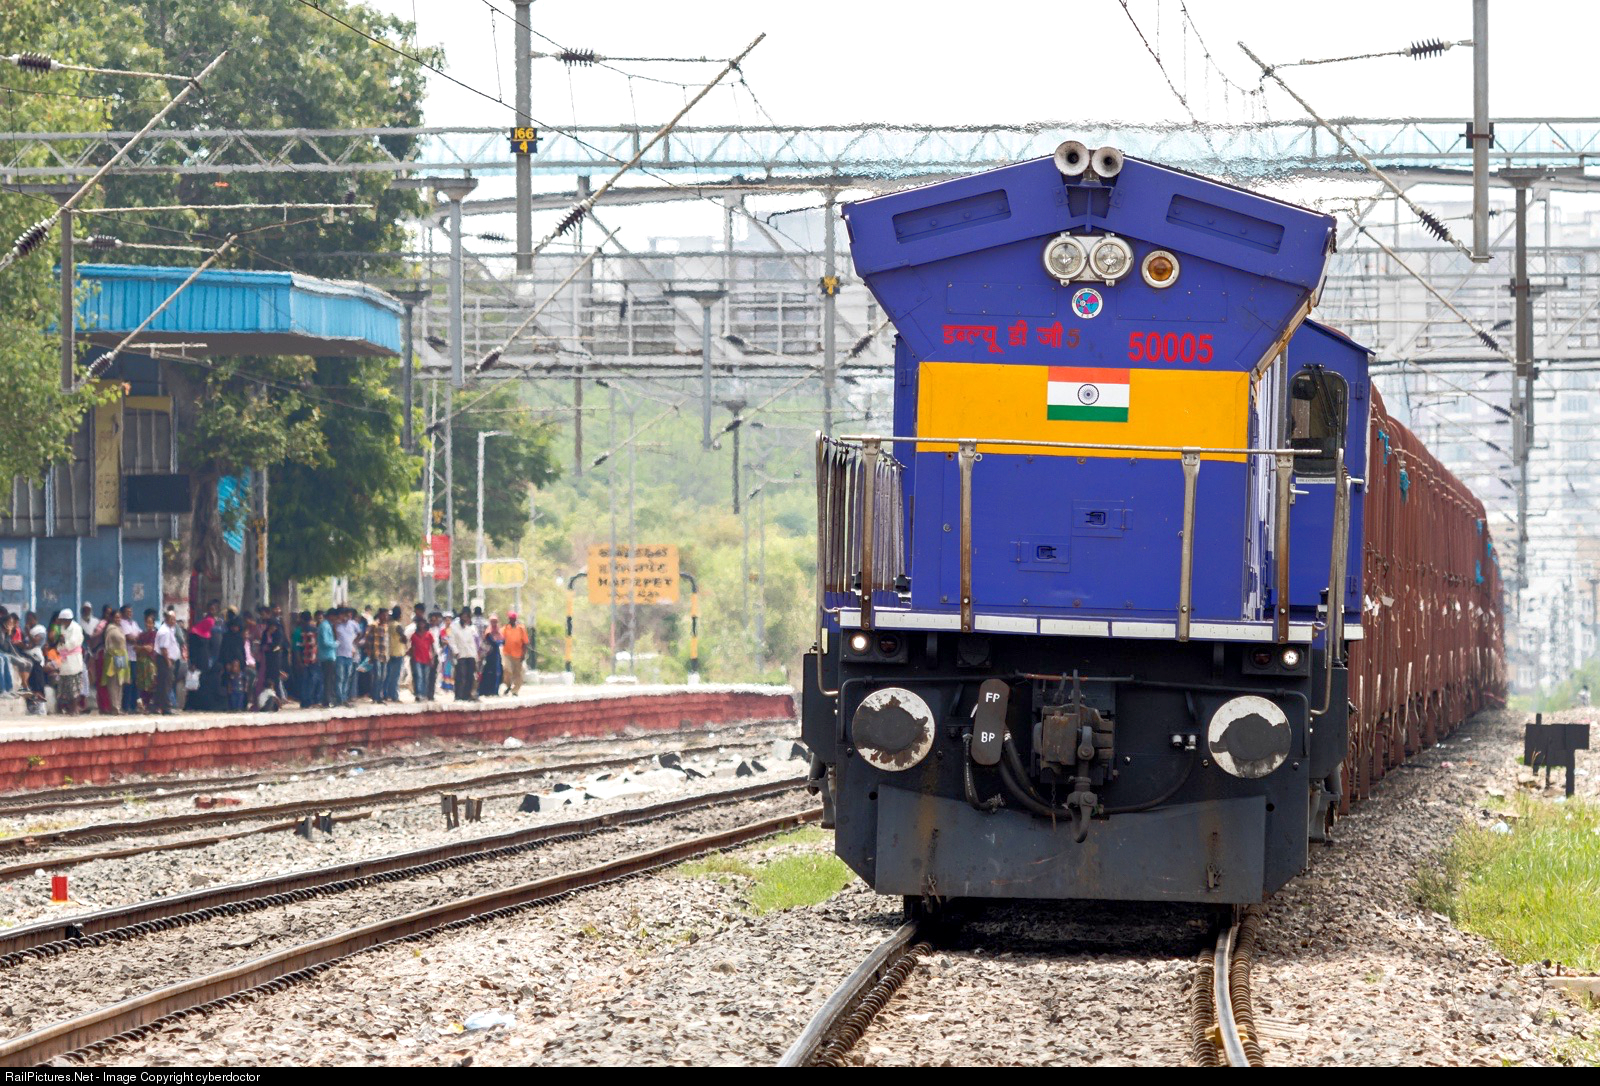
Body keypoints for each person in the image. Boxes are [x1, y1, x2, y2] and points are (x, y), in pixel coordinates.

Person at [152, 609, 183, 716]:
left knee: (164, 683)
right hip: (164, 660)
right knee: (166, 684)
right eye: (172, 619)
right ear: (166, 619)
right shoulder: (164, 631)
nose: (174, 621)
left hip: (168, 659)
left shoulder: (170, 629)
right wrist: (168, 662)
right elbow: (164, 648)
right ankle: (166, 707)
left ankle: (158, 705)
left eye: (175, 619)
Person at [54, 608, 84, 716]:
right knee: (65, 686)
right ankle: (69, 708)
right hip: (64, 660)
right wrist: (61, 644)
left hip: (73, 660)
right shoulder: (62, 628)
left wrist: (64, 642)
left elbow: (73, 643)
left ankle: (75, 708)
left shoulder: (76, 628)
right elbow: (59, 645)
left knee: (74, 686)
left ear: (68, 620)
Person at [446, 610, 479, 701]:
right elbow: (451, 641)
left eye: (467, 617)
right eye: (463, 617)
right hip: (460, 655)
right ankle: (458, 695)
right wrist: (455, 651)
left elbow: (472, 643)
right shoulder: (454, 627)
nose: (465, 619)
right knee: (460, 675)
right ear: (460, 617)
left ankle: (467, 695)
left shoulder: (469, 629)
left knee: (470, 676)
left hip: (470, 654)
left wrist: (475, 655)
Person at [101, 616, 129, 716]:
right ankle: (114, 707)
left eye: (119, 617)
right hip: (112, 659)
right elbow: (110, 645)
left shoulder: (119, 628)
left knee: (120, 682)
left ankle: (118, 706)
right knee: (113, 683)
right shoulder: (111, 630)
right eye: (116, 617)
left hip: (121, 658)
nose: (118, 619)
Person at [334, 607, 360, 706]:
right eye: (346, 615)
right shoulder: (337, 625)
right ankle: (339, 698)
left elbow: (360, 633)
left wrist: (354, 643)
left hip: (349, 654)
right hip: (339, 654)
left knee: (347, 677)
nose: (348, 617)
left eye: (350, 615)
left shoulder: (353, 624)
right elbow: (334, 635)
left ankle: (344, 697)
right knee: (340, 677)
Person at [408, 613, 435, 701]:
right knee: (419, 676)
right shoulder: (414, 636)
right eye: (420, 623)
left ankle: (424, 694)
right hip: (417, 658)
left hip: (427, 658)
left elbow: (432, 647)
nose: (421, 625)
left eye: (422, 623)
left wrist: (432, 657)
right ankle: (419, 694)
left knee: (425, 677)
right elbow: (412, 647)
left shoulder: (428, 635)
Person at [501, 612, 529, 696]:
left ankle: (515, 690)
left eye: (513, 619)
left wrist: (523, 654)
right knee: (507, 670)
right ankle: (508, 685)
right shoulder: (505, 628)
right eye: (510, 619)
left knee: (518, 674)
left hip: (518, 654)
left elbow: (525, 642)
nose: (511, 620)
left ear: (515, 619)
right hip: (507, 653)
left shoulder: (521, 628)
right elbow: (501, 639)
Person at [477, 615, 504, 697]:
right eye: (492, 621)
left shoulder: (499, 631)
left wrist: (499, 642)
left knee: (497, 673)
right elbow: (492, 642)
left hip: (496, 655)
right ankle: (485, 691)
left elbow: (503, 640)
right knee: (488, 673)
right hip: (488, 655)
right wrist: (498, 642)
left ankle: (495, 691)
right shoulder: (488, 632)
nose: (494, 623)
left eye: (495, 621)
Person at [317, 609, 339, 707]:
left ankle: (328, 700)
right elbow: (325, 642)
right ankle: (327, 700)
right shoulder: (325, 626)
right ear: (331, 616)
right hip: (327, 656)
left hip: (329, 655)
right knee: (328, 679)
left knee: (329, 679)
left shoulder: (327, 625)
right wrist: (335, 644)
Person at [385, 606, 406, 703]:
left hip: (390, 652)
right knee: (395, 676)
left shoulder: (389, 624)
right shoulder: (398, 626)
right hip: (398, 652)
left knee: (389, 675)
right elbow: (404, 638)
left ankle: (387, 694)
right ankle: (394, 696)